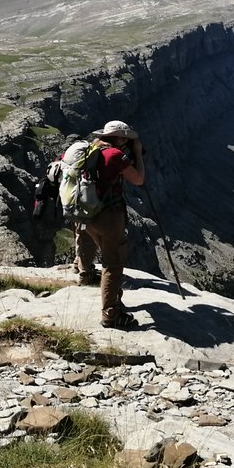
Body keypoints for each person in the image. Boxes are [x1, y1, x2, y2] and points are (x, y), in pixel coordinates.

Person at [74, 120, 145, 328]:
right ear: (121, 138)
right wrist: (138, 154)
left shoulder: (91, 148)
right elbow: (139, 179)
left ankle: (114, 298)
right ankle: (111, 315)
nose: (128, 143)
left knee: (106, 258)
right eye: (127, 139)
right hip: (109, 215)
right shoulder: (115, 155)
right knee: (113, 263)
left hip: (88, 215)